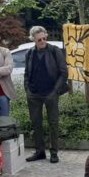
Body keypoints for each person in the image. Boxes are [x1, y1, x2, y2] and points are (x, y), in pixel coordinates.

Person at [24, 26, 68, 164]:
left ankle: (54, 152)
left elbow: (64, 72)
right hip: (34, 93)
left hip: (51, 93)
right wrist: (27, 89)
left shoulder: (55, 51)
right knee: (36, 123)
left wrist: (55, 91)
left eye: (44, 38)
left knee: (53, 123)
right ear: (33, 40)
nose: (42, 41)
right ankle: (39, 152)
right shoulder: (30, 53)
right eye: (39, 40)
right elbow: (27, 72)